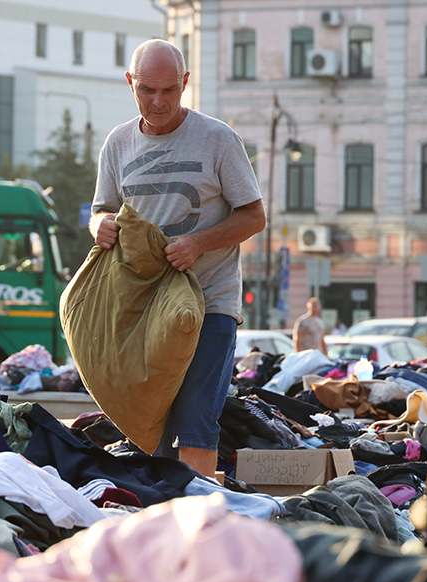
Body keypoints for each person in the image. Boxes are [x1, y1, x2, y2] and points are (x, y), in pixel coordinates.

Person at [89, 39, 265, 477]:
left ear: (186, 83)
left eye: (169, 90)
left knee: (194, 423)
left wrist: (198, 243)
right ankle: (161, 524)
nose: (158, 101)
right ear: (130, 83)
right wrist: (100, 226)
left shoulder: (218, 139)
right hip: (144, 309)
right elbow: (99, 210)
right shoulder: (117, 143)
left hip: (209, 304)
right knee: (149, 424)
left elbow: (255, 216)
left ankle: (197, 530)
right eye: (147, 90)